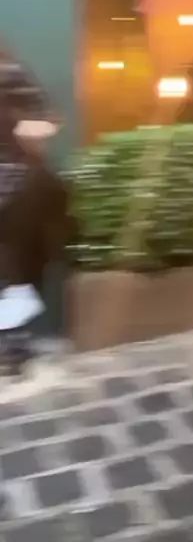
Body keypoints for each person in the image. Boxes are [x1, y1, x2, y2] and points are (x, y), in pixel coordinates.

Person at [0, 46, 67, 377]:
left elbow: (43, 121)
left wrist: (28, 132)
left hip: (14, 185)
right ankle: (13, 344)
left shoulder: (8, 72)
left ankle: (13, 344)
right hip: (15, 182)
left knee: (14, 270)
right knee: (14, 271)